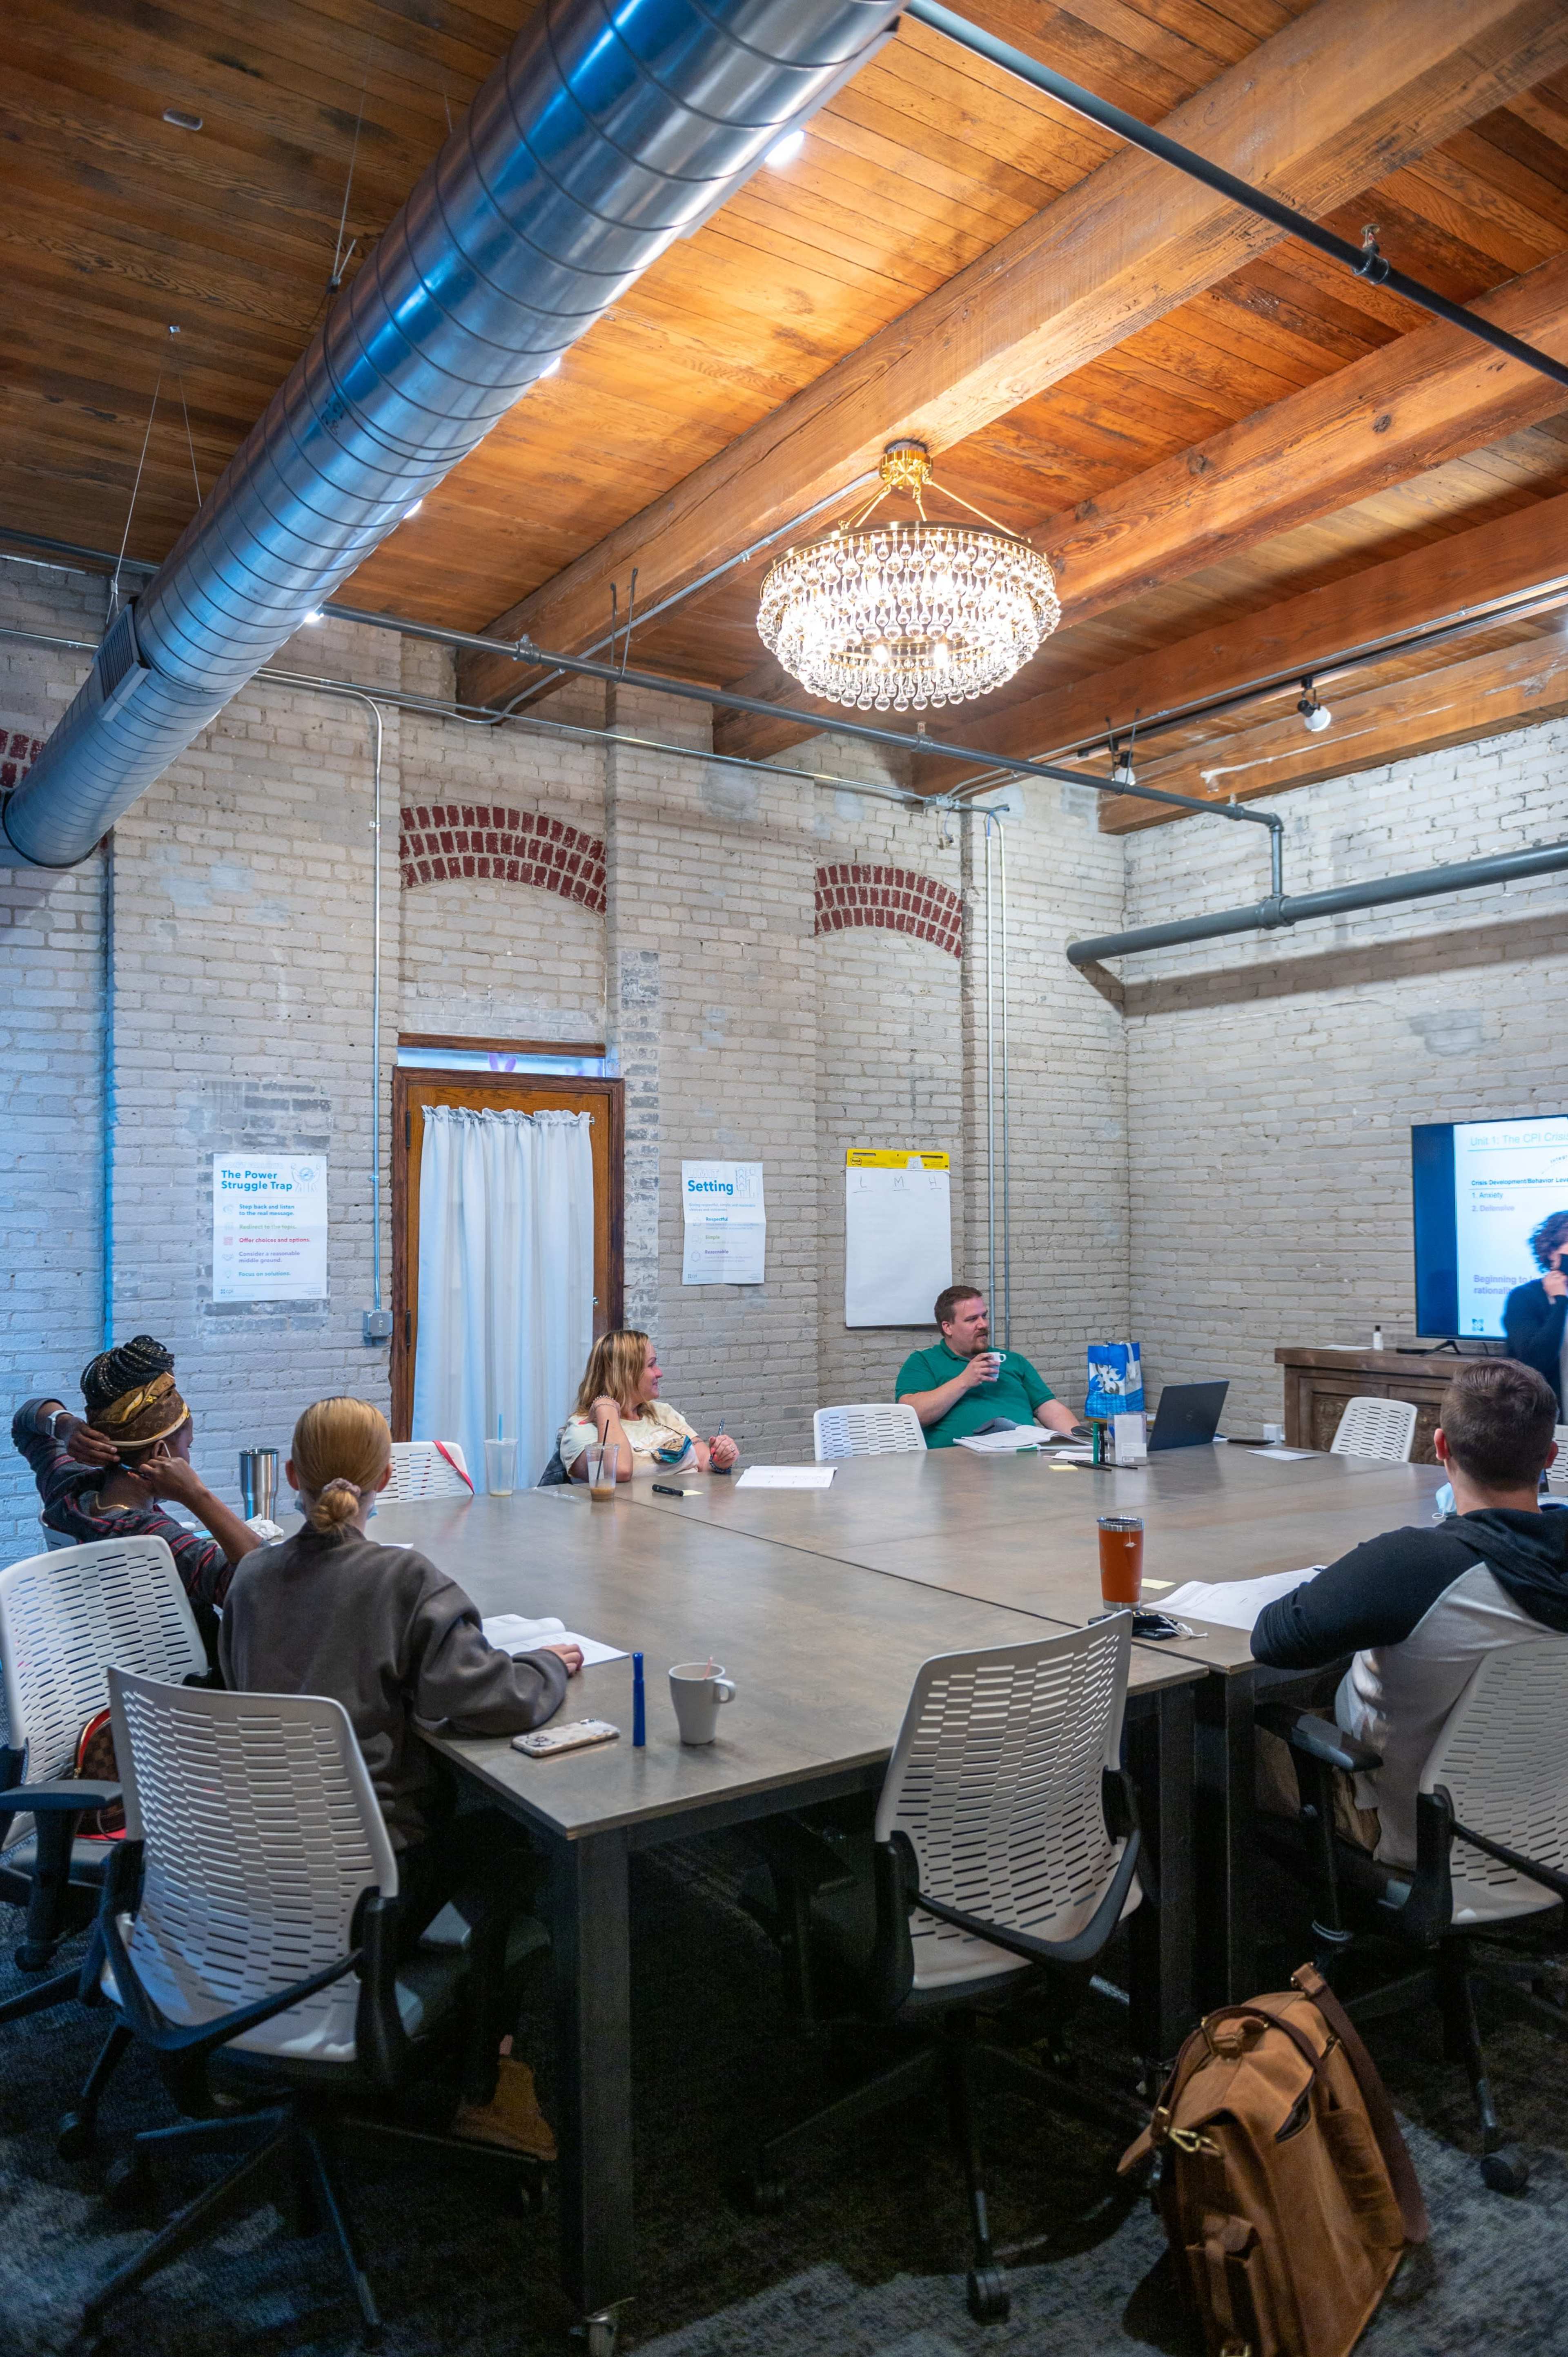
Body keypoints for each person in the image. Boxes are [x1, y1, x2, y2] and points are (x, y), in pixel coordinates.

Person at [220, 1395, 581, 2156]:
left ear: (290, 1474)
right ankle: (489, 2085)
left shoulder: (248, 1580)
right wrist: (550, 1662)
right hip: (367, 1891)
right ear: (389, 1475)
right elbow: (496, 1700)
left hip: (245, 1876)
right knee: (515, 1848)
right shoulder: (405, 1581)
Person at [1252, 1358, 1568, 1868]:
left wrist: (1352, 1579)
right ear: (1549, 1455)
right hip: (1549, 1828)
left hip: (1418, 1834)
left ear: (1440, 1446)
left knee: (1229, 1739)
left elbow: (1272, 1639)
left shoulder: (1410, 1565)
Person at [12, 1335, 258, 1651]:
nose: (190, 1457)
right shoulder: (157, 1542)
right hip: (193, 1690)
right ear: (161, 1453)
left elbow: (26, 1420)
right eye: (189, 1447)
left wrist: (65, 1425)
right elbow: (265, 1579)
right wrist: (198, 1496)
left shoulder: (66, 1489)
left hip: (113, 1676)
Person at [895, 1285, 1080, 1448]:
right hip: (957, 1468)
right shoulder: (924, 1362)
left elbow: (1050, 1409)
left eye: (984, 1316)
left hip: (1024, 1458)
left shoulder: (1013, 1361)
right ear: (948, 1327)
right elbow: (912, 1416)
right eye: (972, 1319)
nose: (983, 1324)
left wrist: (1083, 1444)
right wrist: (964, 1381)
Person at [558, 1330, 739, 1482]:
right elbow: (619, 1470)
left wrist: (720, 1460)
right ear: (625, 1374)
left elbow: (703, 1460)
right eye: (651, 1365)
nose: (659, 1373)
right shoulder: (582, 1428)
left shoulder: (663, 1412)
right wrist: (605, 1408)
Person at [1502, 1209, 1568, 1417]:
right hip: (1548, 1421)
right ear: (1552, 1253)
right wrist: (1560, 1302)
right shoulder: (1524, 1298)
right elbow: (1534, 1361)